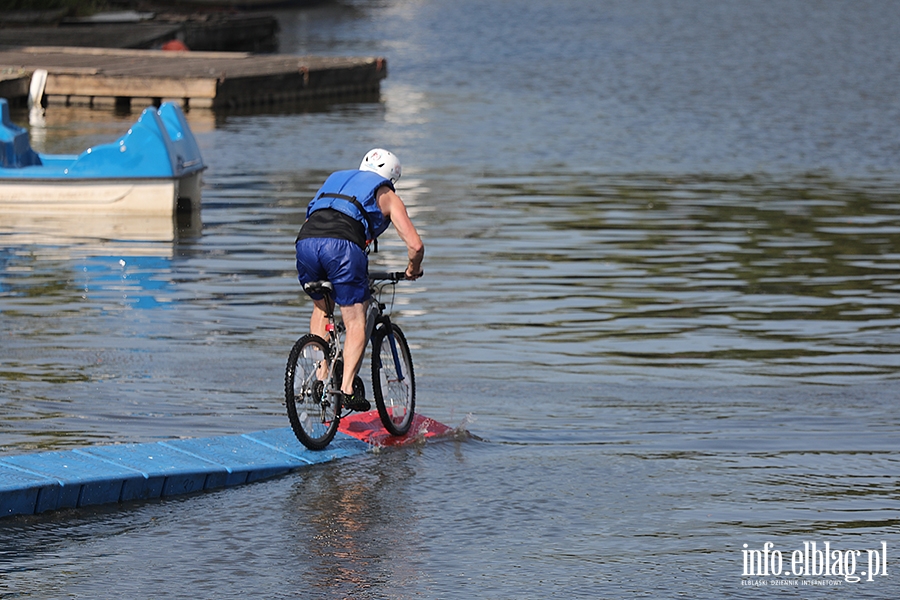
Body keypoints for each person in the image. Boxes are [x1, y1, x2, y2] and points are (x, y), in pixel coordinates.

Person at [294, 149, 424, 412]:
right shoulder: (387, 194)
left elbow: (313, 216)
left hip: (305, 243)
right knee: (355, 320)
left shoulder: (336, 178)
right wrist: (412, 268)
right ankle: (347, 390)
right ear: (391, 178)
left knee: (322, 307)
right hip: (341, 247)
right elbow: (416, 245)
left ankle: (321, 380)